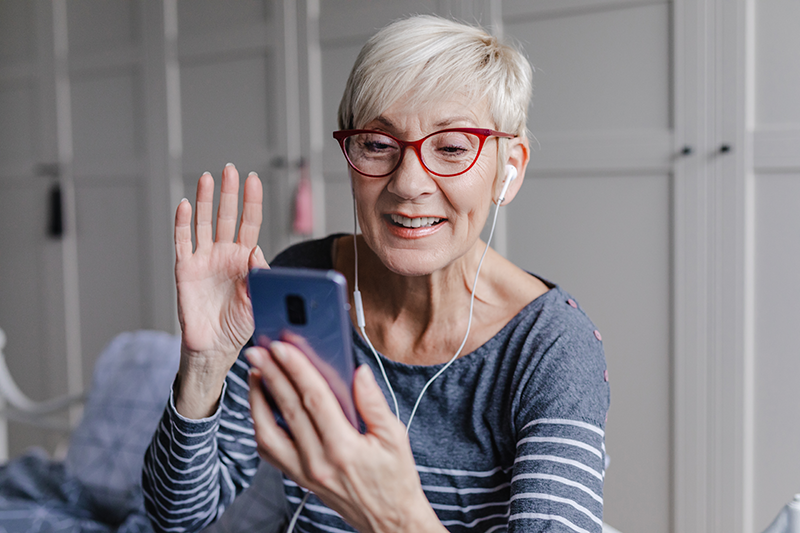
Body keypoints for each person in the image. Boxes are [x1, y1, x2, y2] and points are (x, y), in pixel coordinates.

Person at [142, 14, 609, 533]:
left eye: (452, 147)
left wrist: (395, 518)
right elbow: (177, 517)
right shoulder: (305, 282)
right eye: (378, 144)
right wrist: (203, 367)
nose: (409, 183)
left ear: (509, 168)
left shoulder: (553, 349)